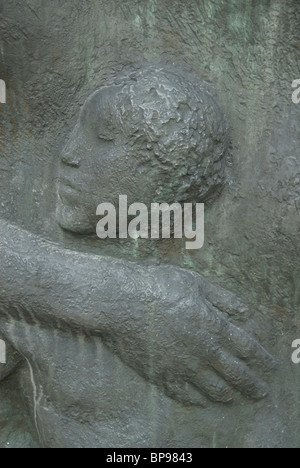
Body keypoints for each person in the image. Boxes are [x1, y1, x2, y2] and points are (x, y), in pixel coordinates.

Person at [0, 68, 276, 448]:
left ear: (166, 173)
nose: (68, 155)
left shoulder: (228, 324)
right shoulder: (34, 316)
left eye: (104, 138)